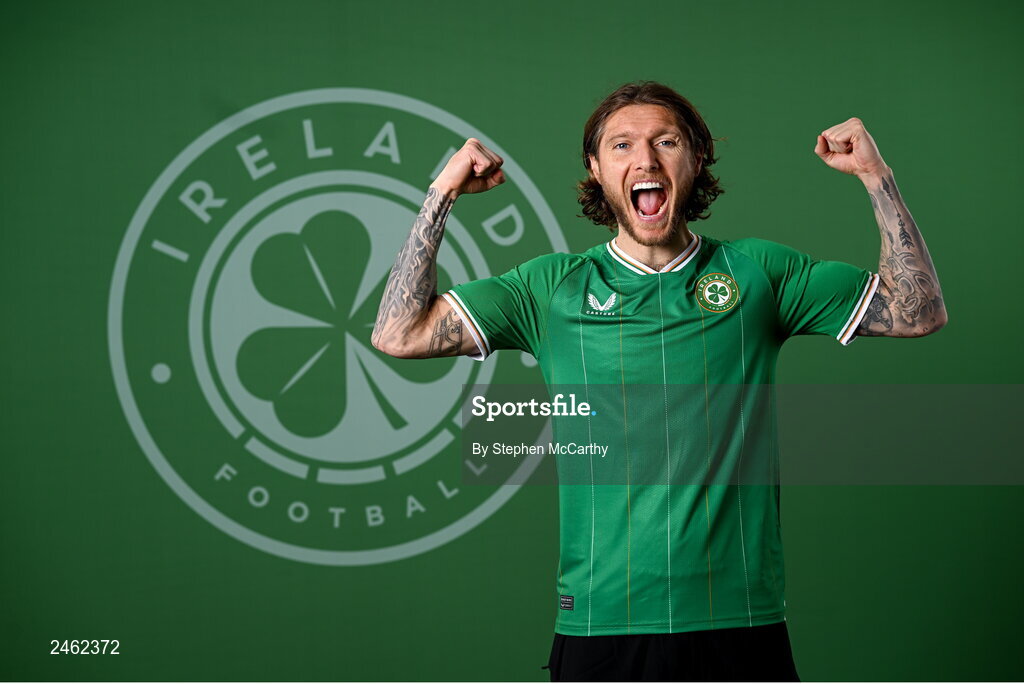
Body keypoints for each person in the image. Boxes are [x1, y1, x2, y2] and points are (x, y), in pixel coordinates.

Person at [371, 82, 946, 681]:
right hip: (601, 624)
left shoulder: (758, 273)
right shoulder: (549, 289)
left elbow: (917, 311)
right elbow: (399, 334)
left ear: (695, 159)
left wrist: (876, 176)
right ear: (596, 170)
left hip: (739, 622)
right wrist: (441, 192)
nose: (644, 160)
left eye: (665, 141)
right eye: (621, 146)